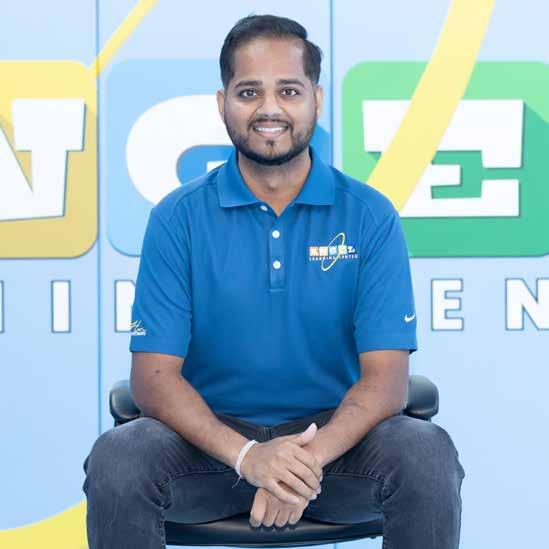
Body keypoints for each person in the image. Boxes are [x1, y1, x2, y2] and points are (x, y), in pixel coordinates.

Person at [82, 14, 465, 549]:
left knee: (426, 453)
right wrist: (249, 458)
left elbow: (386, 380)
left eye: (289, 90)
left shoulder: (369, 215)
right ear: (222, 104)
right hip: (209, 452)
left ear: (316, 99)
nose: (269, 109)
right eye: (249, 92)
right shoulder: (177, 217)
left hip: (334, 452)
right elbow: (153, 378)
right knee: (119, 458)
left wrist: (299, 464)